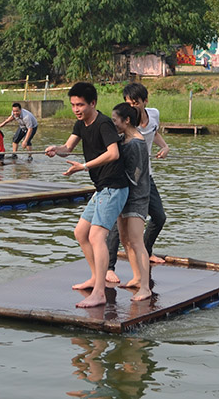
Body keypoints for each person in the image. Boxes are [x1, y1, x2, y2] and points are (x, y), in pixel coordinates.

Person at [45, 82, 129, 308]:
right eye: (73, 105)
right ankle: (94, 277)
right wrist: (56, 149)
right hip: (102, 188)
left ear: (93, 103)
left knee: (96, 237)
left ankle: (100, 292)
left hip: (114, 187)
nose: (76, 109)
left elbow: (113, 153)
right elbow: (68, 148)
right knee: (81, 232)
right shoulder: (81, 124)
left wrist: (84, 166)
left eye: (80, 104)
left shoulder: (103, 124)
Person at [106, 83, 169, 284]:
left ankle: (146, 251)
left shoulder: (154, 115)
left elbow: (154, 132)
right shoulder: (125, 122)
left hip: (145, 177)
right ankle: (109, 267)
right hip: (126, 179)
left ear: (145, 101)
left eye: (135, 103)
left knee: (159, 217)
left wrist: (165, 146)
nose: (132, 106)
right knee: (120, 224)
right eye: (128, 103)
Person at [110, 102, 151, 301]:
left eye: (115, 120)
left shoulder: (136, 142)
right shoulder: (123, 139)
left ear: (126, 121)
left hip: (136, 196)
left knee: (136, 241)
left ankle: (145, 286)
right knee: (125, 239)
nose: (114, 124)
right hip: (123, 194)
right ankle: (136, 276)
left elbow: (136, 173)